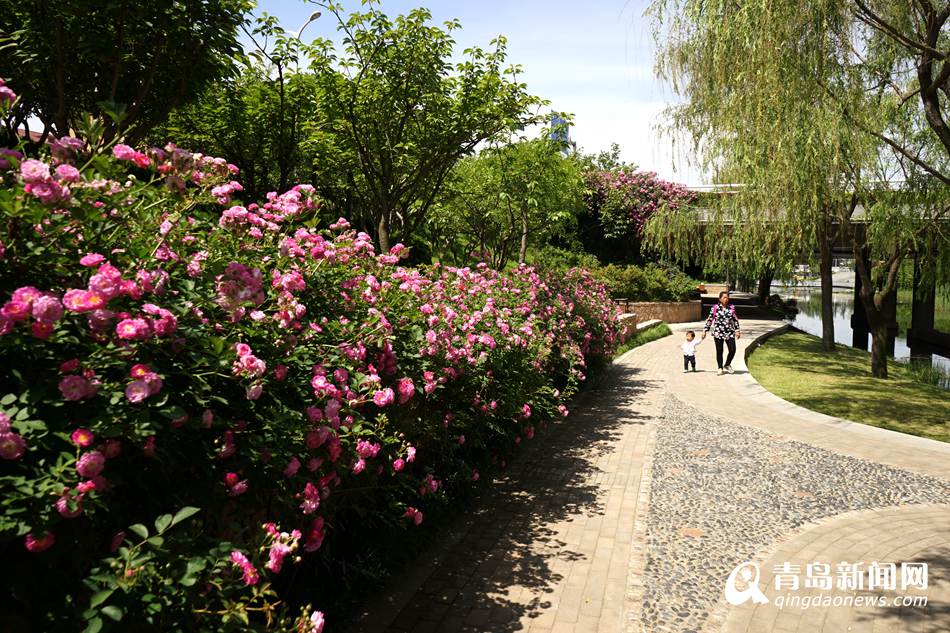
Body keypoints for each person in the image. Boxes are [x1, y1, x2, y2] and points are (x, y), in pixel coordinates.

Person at [702, 290, 741, 375]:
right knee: (719, 351)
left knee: (732, 350)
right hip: (718, 332)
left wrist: (737, 330)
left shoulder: (732, 307)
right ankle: (720, 367)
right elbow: (710, 320)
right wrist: (705, 330)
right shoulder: (715, 308)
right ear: (720, 299)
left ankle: (727, 364)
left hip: (730, 332)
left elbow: (735, 320)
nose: (726, 299)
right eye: (724, 297)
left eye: (727, 297)